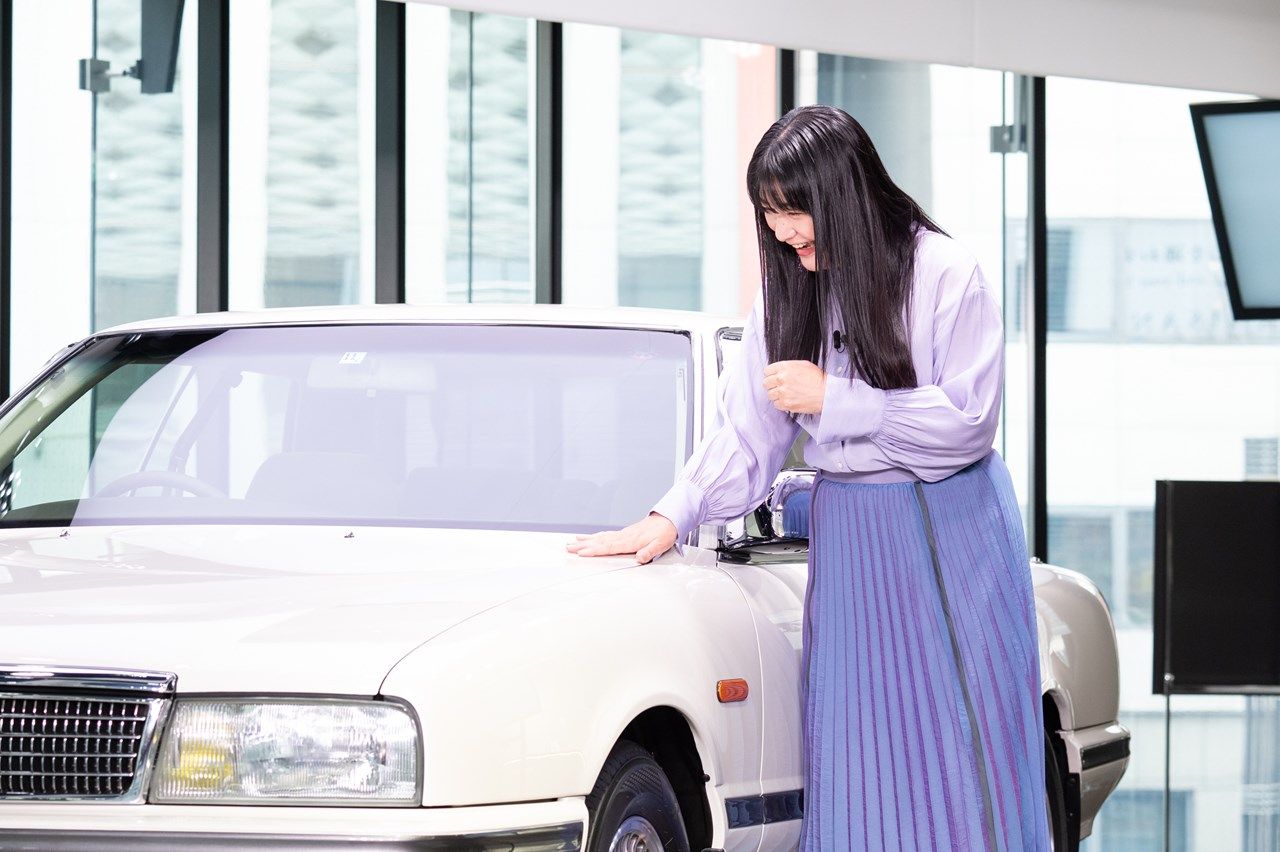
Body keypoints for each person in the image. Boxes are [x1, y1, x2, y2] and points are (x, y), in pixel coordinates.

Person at [568, 104, 1048, 850]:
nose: (787, 231)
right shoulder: (789, 287)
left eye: (795, 209)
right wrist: (673, 514)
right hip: (853, 538)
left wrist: (839, 400)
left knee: (962, 761)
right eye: (771, 215)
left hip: (951, 535)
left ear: (845, 194)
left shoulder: (947, 274)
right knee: (856, 760)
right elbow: (749, 433)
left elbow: (968, 423)